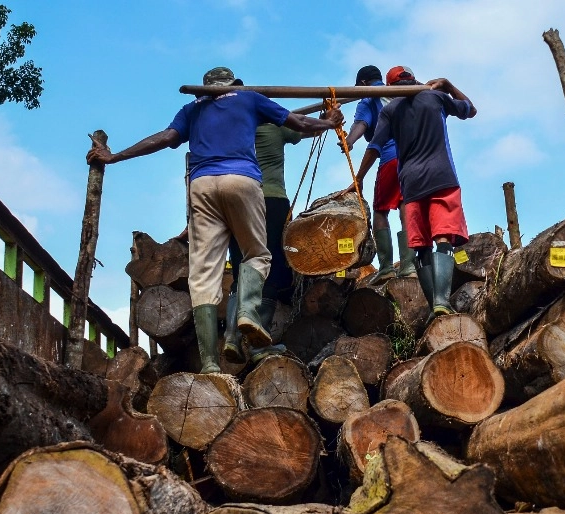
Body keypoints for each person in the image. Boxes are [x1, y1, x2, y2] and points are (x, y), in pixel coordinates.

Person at [87, 67, 343, 373]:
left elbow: (165, 138)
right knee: (257, 253)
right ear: (233, 84)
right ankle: (248, 312)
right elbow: (299, 122)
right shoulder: (250, 99)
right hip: (242, 181)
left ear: (205, 90)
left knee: (203, 275)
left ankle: (210, 364)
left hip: (202, 185)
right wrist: (327, 123)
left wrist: (115, 158)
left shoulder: (191, 110)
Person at [349, 65, 477, 321]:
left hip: (412, 184)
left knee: (420, 246)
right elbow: (469, 109)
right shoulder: (436, 97)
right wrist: (448, 85)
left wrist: (358, 178)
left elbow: (375, 145)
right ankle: (442, 301)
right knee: (443, 238)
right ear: (414, 80)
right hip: (442, 179)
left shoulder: (390, 110)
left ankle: (432, 307)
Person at [222, 122, 316, 364]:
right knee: (270, 269)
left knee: (241, 267)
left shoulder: (230, 130)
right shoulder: (274, 125)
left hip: (235, 202)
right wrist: (327, 118)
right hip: (270, 200)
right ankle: (258, 345)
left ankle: (231, 337)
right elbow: (308, 129)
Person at [343, 65, 414, 285]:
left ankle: (386, 268)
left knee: (381, 211)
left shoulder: (368, 98)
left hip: (390, 158)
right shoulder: (398, 94)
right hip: (413, 158)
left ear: (363, 83)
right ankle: (409, 265)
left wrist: (349, 141)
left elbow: (361, 123)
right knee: (405, 206)